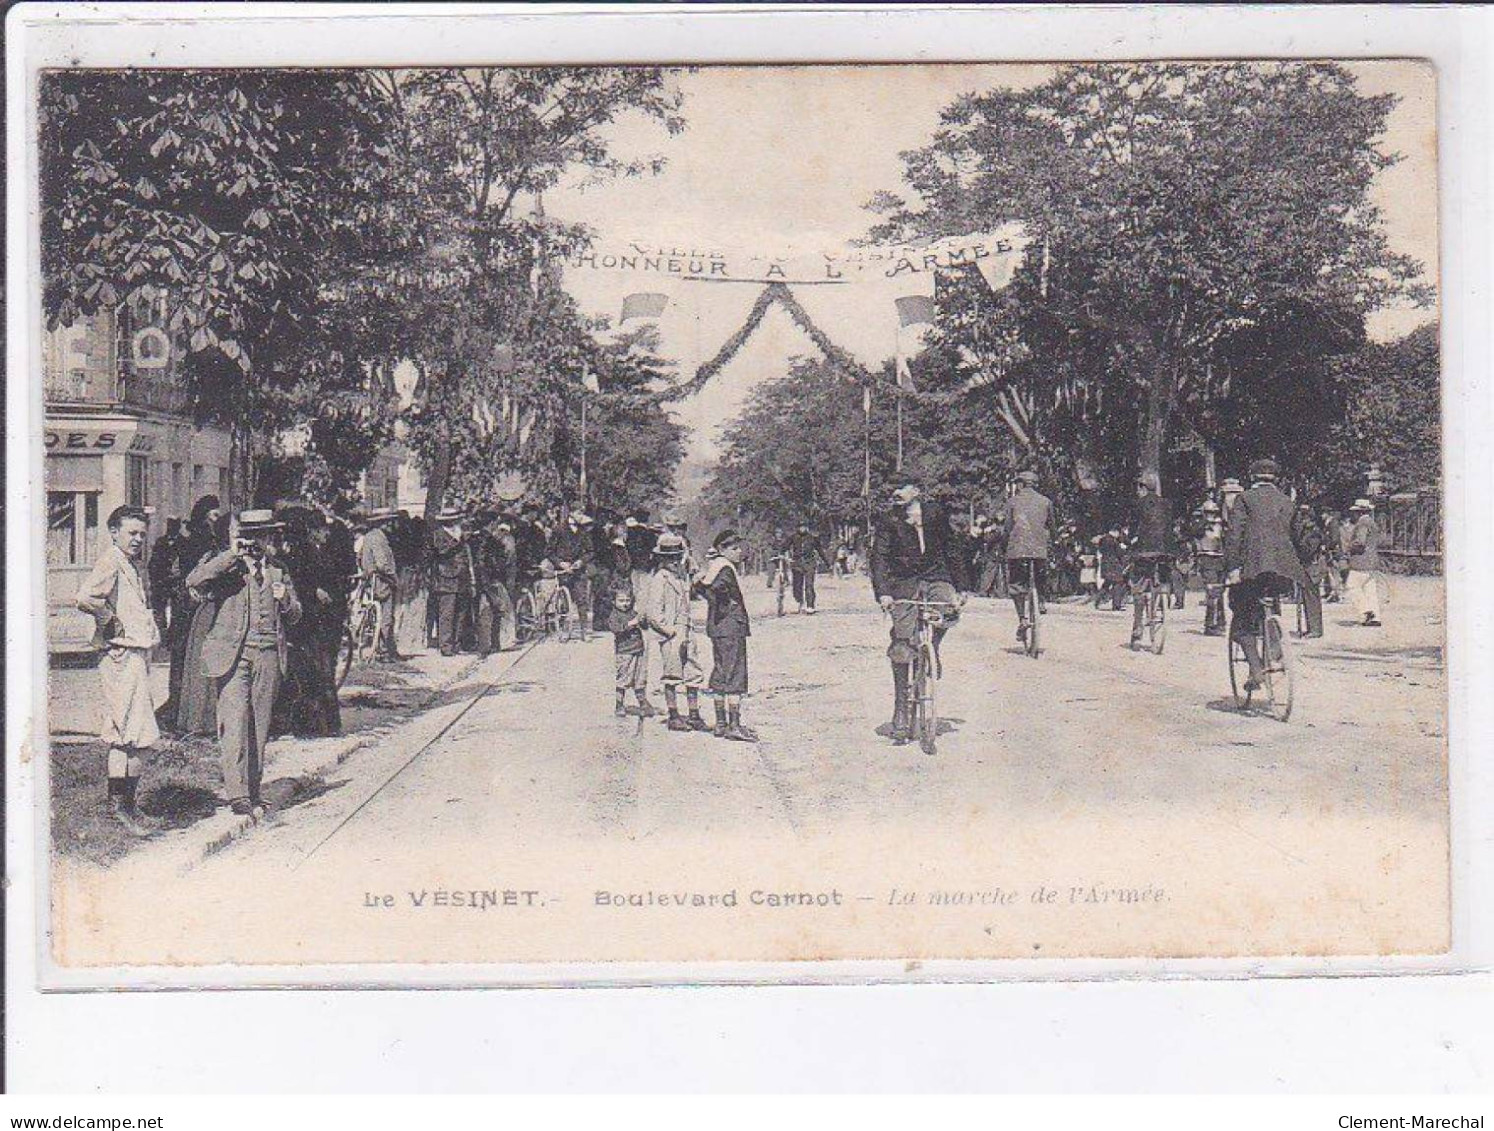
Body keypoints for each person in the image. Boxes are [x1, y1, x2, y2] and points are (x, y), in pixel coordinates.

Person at [187, 509, 302, 817]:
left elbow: (296, 615)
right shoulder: (226, 566)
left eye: (264, 535)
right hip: (233, 656)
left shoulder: (279, 570)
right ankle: (237, 794)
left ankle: (253, 790)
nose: (258, 542)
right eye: (252, 535)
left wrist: (286, 600)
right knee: (234, 721)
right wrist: (229, 555)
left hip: (268, 654)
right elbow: (194, 582)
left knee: (259, 725)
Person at [75, 505, 162, 837]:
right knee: (133, 734)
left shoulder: (129, 564)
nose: (138, 539)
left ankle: (127, 806)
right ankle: (122, 809)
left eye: (142, 533)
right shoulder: (111, 560)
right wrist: (108, 619)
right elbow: (85, 597)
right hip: (121, 656)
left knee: (127, 732)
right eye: (132, 533)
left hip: (132, 653)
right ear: (114, 532)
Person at [870, 484, 968, 747]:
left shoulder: (935, 514)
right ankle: (901, 711)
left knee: (947, 610)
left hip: (936, 578)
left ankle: (933, 644)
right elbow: (878, 559)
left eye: (900, 488)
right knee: (902, 643)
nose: (894, 493)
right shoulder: (889, 520)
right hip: (904, 582)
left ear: (916, 491)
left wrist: (961, 587)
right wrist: (883, 593)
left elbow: (953, 550)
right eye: (891, 489)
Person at [1224, 459, 1308, 691]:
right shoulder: (1286, 501)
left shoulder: (1244, 499)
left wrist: (1232, 567)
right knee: (1271, 599)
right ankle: (1275, 644)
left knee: (1240, 612)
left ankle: (1256, 667)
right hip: (1282, 570)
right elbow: (1298, 536)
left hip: (1253, 568)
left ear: (1252, 477)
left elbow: (1235, 535)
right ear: (1275, 478)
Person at [695, 529, 757, 742]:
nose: (739, 552)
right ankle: (733, 724)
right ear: (722, 549)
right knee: (735, 675)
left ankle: (721, 723)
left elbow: (702, 589)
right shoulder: (725, 569)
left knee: (721, 673)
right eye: (734, 548)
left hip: (719, 629)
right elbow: (715, 592)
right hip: (730, 628)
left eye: (739, 547)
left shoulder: (714, 567)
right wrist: (726, 605)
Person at [647, 532, 710, 732]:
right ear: (662, 560)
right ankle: (673, 714)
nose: (674, 561)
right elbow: (653, 613)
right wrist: (669, 631)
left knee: (693, 670)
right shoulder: (660, 579)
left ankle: (693, 713)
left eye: (677, 557)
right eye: (670, 558)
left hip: (687, 628)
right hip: (672, 631)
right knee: (672, 672)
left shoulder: (682, 577)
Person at [1001, 469, 1055, 645]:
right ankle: (1041, 601)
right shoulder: (1046, 502)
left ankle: (1023, 618)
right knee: (1041, 575)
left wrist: (1004, 548)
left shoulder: (1012, 502)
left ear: (1021, 484)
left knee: (1017, 584)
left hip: (1017, 550)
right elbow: (1052, 527)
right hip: (1040, 550)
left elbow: (1007, 528)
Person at [1127, 471, 1174, 649]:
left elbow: (1133, 529)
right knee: (1161, 578)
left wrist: (1129, 541)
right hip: (1165, 552)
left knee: (1138, 589)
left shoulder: (1138, 504)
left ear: (1143, 487)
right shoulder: (1167, 504)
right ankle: (1162, 595)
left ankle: (1137, 631)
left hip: (1144, 552)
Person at [358, 508, 402, 662]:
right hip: (382, 581)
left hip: (370, 581)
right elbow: (383, 563)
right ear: (383, 523)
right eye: (389, 521)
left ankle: (387, 649)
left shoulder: (369, 536)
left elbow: (359, 556)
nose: (392, 525)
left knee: (381, 616)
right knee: (386, 616)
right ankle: (384, 651)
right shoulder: (379, 538)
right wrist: (393, 577)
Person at [429, 507, 474, 656]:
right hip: (446, 579)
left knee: (460, 613)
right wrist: (459, 541)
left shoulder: (458, 534)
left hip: (462, 579)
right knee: (447, 613)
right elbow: (442, 552)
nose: (456, 522)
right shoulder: (438, 535)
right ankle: (446, 646)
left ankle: (456, 643)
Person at [474, 514, 518, 654]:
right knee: (497, 609)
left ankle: (486, 643)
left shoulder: (475, 538)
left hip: (480, 579)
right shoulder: (490, 540)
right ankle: (493, 643)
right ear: (492, 523)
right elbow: (486, 561)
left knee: (483, 611)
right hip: (490, 580)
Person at [606, 587, 653, 718]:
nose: (625, 603)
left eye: (627, 600)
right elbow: (616, 629)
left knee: (640, 677)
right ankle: (619, 704)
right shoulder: (614, 615)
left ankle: (642, 702)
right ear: (614, 602)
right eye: (621, 601)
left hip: (638, 649)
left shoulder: (632, 612)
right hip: (624, 652)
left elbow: (644, 626)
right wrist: (631, 623)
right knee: (623, 678)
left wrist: (643, 619)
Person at [553, 509, 597, 637]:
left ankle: (584, 631)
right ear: (571, 513)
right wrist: (560, 563)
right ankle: (564, 630)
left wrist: (581, 561)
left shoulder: (583, 530)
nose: (581, 516)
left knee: (582, 599)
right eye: (578, 513)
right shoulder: (559, 529)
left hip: (579, 570)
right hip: (563, 570)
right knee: (563, 601)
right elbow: (549, 551)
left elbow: (590, 551)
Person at [1346, 498, 1385, 627]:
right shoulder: (1372, 523)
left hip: (1361, 561)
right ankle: (1375, 617)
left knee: (1352, 586)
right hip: (1372, 561)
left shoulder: (1362, 524)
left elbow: (1360, 542)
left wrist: (1349, 547)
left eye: (1355, 512)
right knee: (1370, 590)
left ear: (1360, 512)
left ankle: (1365, 611)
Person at [1290, 502, 1326, 638]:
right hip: (1308, 567)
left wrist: (1297, 554)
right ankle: (1311, 627)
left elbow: (1308, 550)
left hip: (1312, 567)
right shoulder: (1306, 531)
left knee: (1312, 599)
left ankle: (1315, 629)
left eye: (1302, 516)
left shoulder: (1313, 532)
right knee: (1307, 598)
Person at [1194, 500, 1227, 636]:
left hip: (1220, 559)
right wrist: (1205, 523)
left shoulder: (1221, 525)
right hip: (1207, 559)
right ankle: (1210, 624)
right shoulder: (1200, 525)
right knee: (1212, 592)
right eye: (1208, 513)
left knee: (1219, 593)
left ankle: (1220, 622)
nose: (1211, 515)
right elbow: (1195, 533)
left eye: (1213, 513)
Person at [788, 522, 831, 614]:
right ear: (798, 528)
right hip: (797, 564)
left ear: (807, 528)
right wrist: (780, 555)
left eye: (804, 527)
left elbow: (820, 551)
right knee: (797, 586)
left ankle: (810, 605)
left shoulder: (813, 538)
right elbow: (784, 547)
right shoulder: (793, 537)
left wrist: (827, 563)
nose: (802, 529)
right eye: (800, 527)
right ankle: (799, 601)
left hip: (809, 563)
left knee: (809, 585)